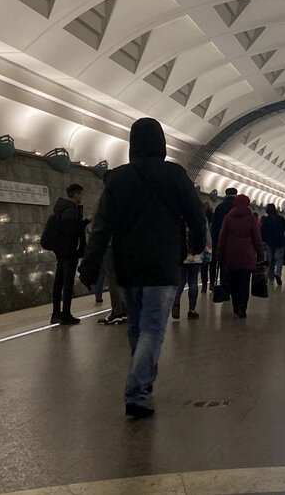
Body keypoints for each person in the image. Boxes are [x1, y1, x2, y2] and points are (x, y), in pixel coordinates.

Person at [78, 117, 206, 420]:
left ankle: (144, 386)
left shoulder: (118, 179)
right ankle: (136, 391)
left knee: (136, 327)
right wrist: (197, 245)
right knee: (152, 329)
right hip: (162, 264)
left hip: (128, 265)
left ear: (132, 145)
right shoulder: (175, 175)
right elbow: (196, 214)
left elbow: (101, 226)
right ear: (161, 143)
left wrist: (91, 262)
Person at [216, 194, 265, 317]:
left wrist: (219, 254)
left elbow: (222, 238)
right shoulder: (251, 219)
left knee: (233, 283)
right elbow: (257, 239)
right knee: (244, 283)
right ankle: (243, 308)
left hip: (231, 255)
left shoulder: (228, 218)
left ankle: (235, 306)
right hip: (247, 256)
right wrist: (260, 254)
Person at [48, 183, 89, 325]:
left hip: (60, 251)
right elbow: (72, 231)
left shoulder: (60, 208)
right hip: (69, 251)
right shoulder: (71, 210)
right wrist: (84, 224)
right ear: (76, 194)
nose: (82, 197)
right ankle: (66, 314)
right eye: (81, 194)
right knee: (68, 283)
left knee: (58, 282)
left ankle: (55, 314)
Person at [174, 214, 211, 320]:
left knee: (181, 281)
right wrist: (208, 253)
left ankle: (175, 303)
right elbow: (206, 236)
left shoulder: (179, 216)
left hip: (182, 254)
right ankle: (192, 310)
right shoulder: (200, 217)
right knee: (193, 282)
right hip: (196, 254)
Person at [209, 188, 237, 288]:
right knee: (233, 265)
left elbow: (215, 227)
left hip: (221, 240)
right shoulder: (237, 208)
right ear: (236, 195)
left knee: (221, 264)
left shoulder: (219, 207)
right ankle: (231, 285)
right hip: (235, 242)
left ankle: (221, 285)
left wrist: (215, 241)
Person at [260, 203, 285, 286]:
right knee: (279, 258)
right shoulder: (281, 219)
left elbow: (262, 231)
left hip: (269, 242)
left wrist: (263, 240)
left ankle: (271, 278)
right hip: (280, 242)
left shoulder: (265, 220)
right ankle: (278, 272)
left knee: (270, 260)